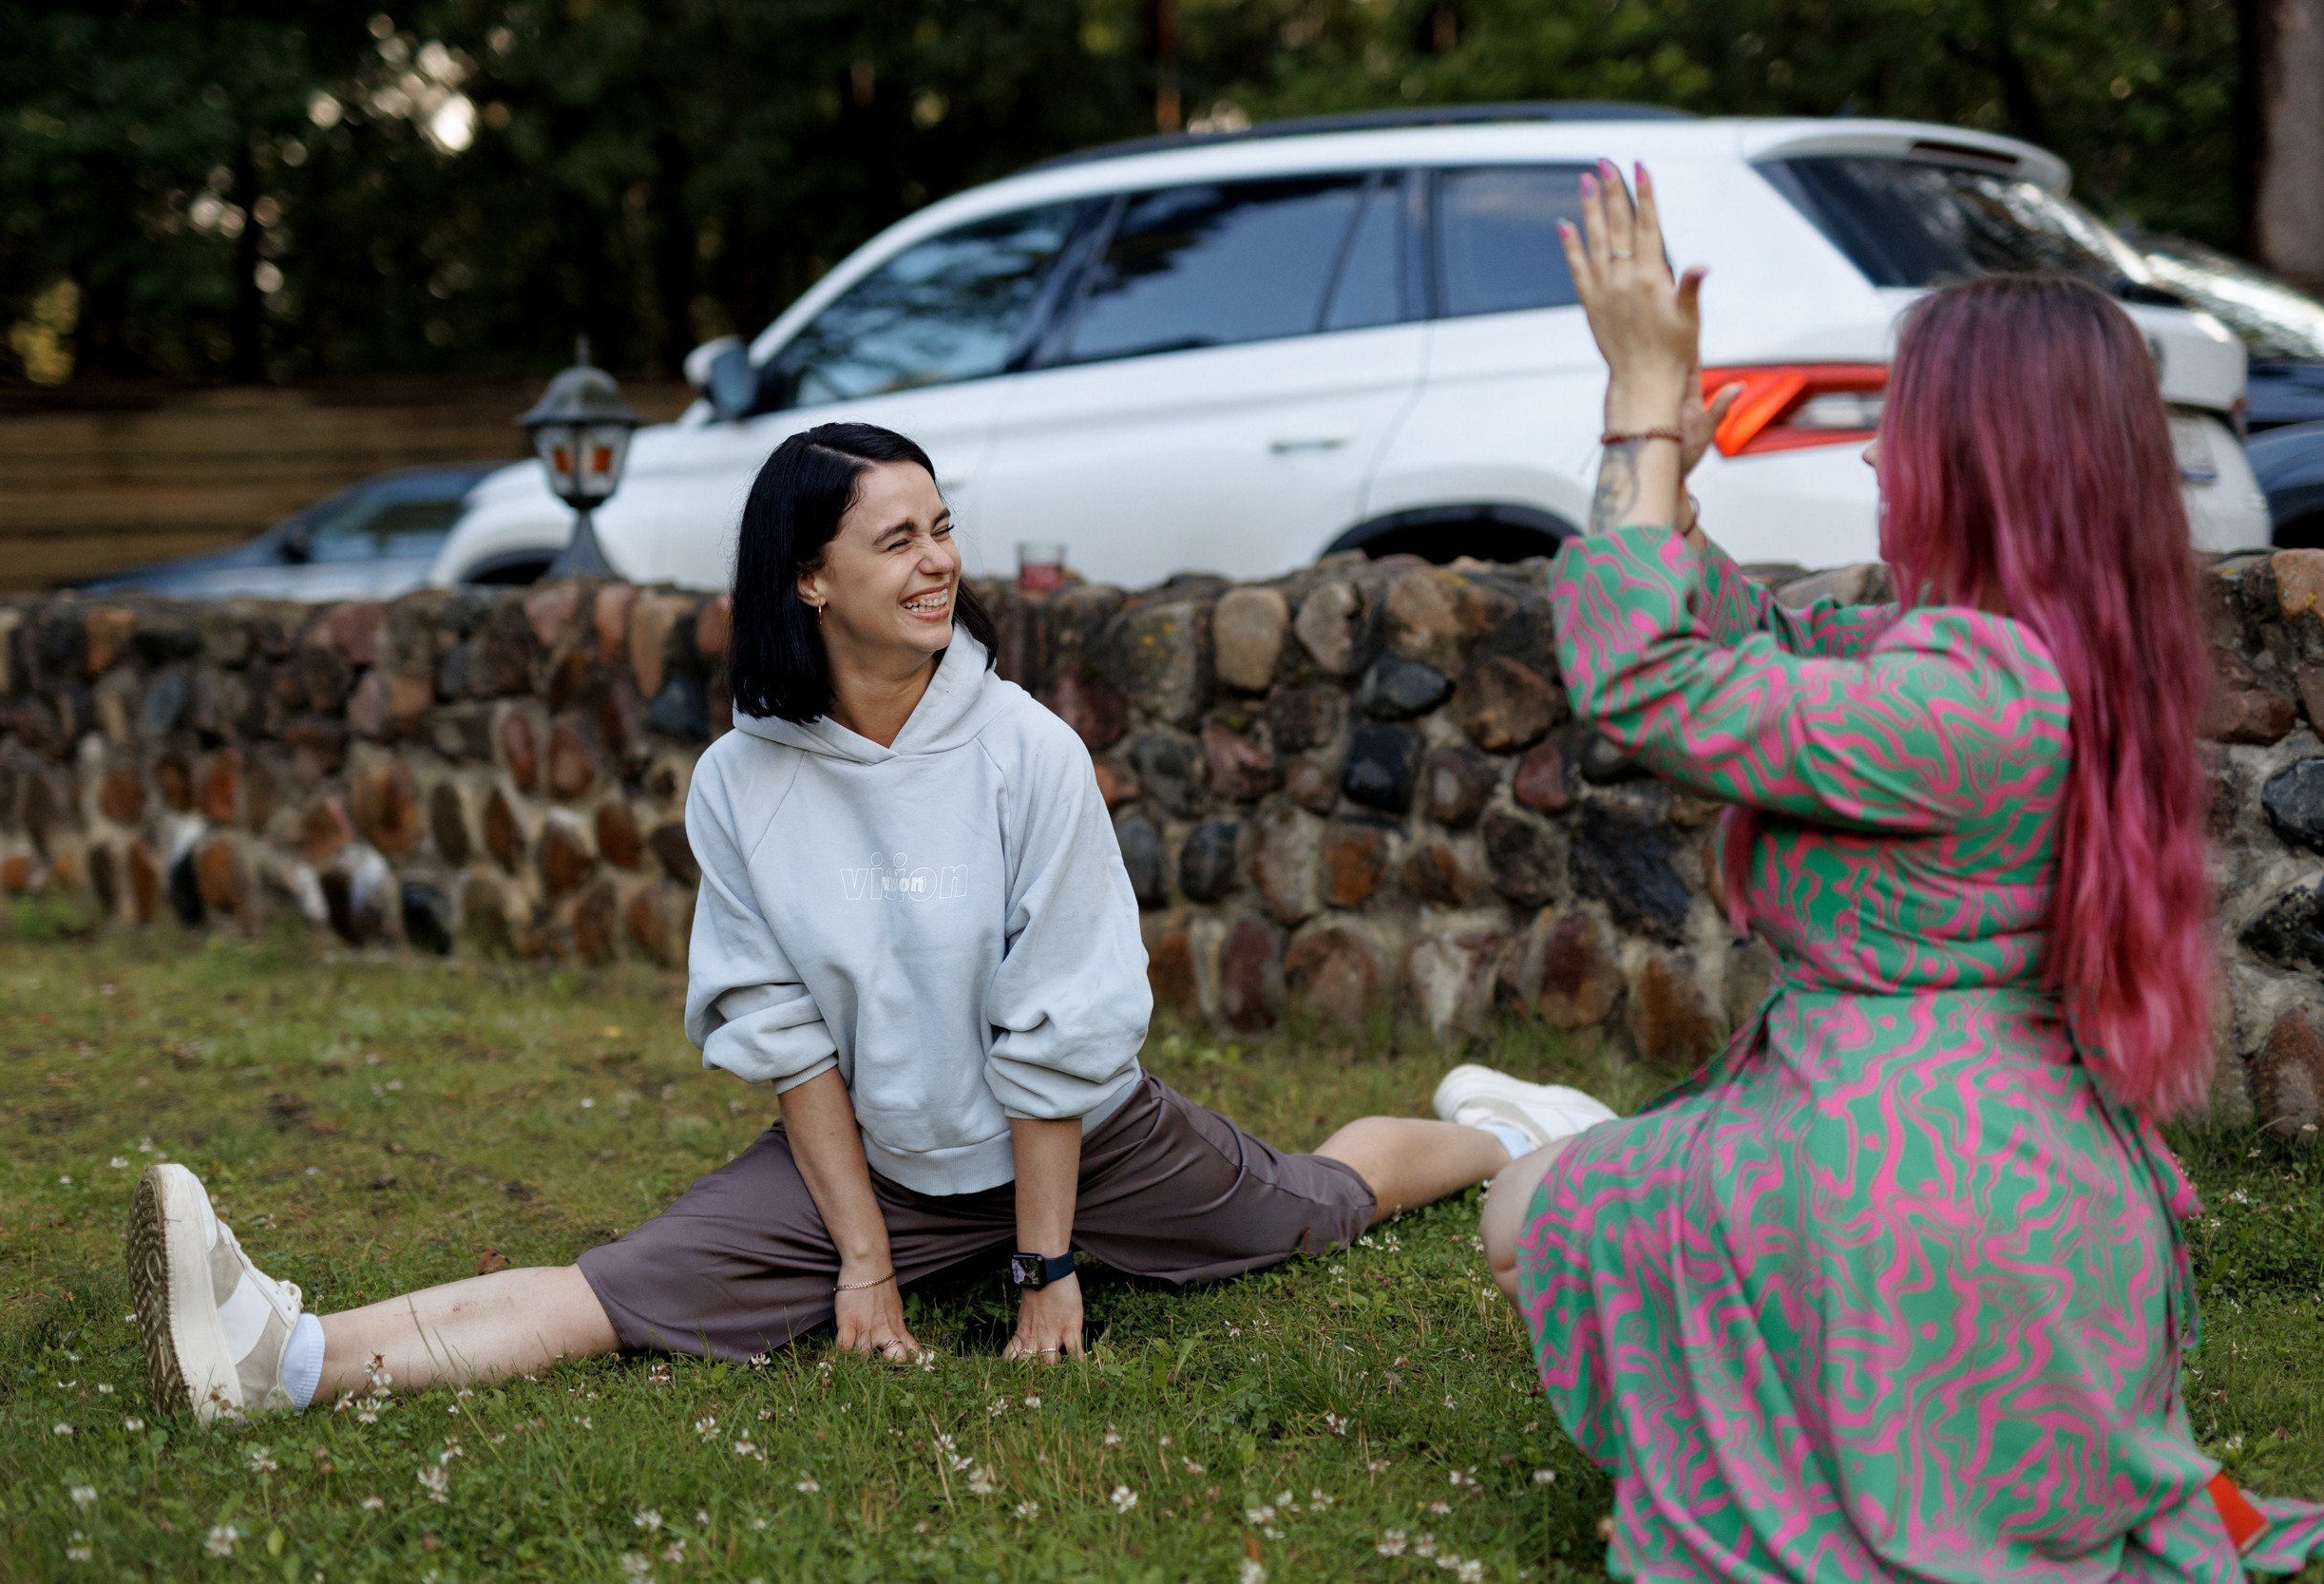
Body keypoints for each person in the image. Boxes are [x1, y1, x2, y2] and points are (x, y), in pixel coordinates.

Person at [124, 420, 1619, 1423]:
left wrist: (1042, 1270)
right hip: (882, 1163)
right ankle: (288, 1354)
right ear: (807, 575)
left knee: (1314, 1209)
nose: (934, 563)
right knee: (618, 1292)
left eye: (941, 530)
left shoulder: (1025, 747)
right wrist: (857, 1255)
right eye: (894, 539)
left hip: (1091, 1140)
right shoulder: (743, 783)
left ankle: (1512, 1127)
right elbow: (787, 1037)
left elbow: (1061, 1035)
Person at [1476, 159, 2324, 1578]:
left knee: (1525, 1213)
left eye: (1899, 426)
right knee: (1567, 1178)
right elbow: (1763, 657)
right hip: (2012, 1175)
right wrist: (1667, 483)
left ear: (1978, 465)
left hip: (1905, 1199)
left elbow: (1643, 685)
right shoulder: (2038, 658)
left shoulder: (1974, 698)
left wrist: (1635, 409)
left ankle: (1806, 1444)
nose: (1876, 458)